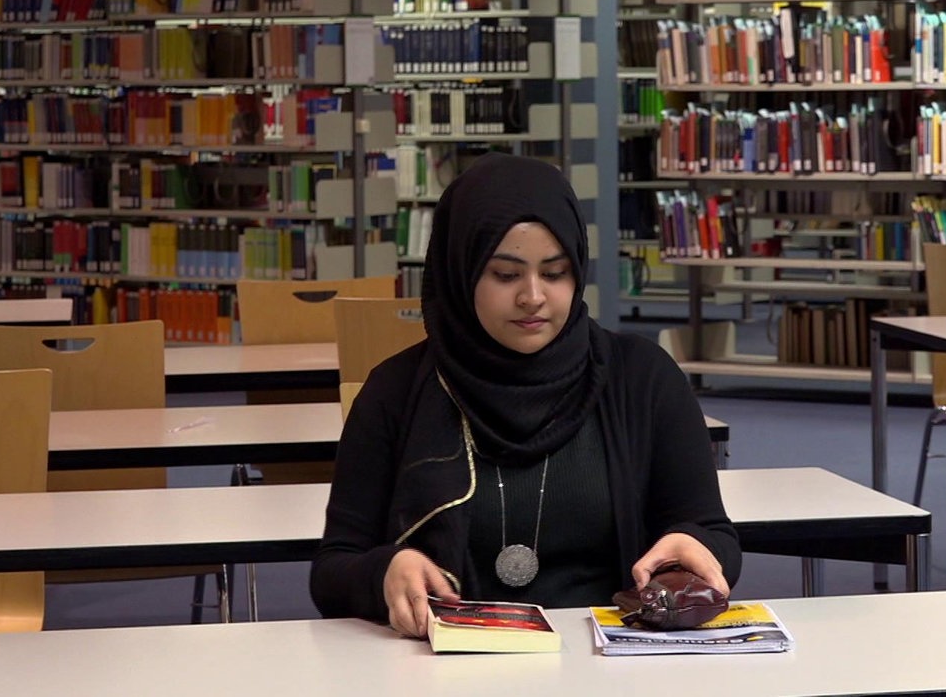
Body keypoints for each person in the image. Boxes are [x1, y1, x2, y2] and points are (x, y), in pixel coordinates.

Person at [310, 153, 740, 638]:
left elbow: (714, 534)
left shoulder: (643, 378)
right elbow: (332, 572)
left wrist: (693, 548)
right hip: (441, 662)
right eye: (505, 275)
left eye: (554, 273)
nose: (532, 297)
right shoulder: (395, 390)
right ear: (461, 270)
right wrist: (384, 572)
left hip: (605, 661)